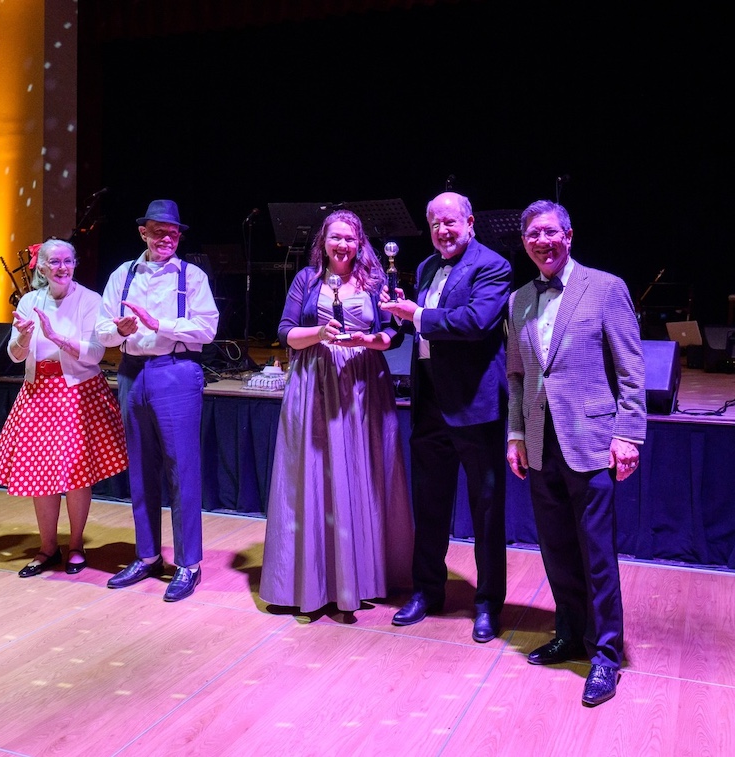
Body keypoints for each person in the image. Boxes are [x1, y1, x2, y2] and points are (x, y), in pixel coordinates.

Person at [506, 199, 645, 707]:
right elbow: (518, 376)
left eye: (550, 232)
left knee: (597, 556)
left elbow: (631, 370)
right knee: (557, 550)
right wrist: (516, 436)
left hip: (591, 440)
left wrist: (627, 435)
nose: (541, 241)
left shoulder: (605, 288)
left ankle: (606, 654)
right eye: (532, 235)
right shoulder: (519, 298)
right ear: (524, 243)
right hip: (541, 444)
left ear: (569, 234)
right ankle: (568, 634)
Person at [258, 209, 413, 616]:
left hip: (363, 385)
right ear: (323, 243)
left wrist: (372, 339)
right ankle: (313, 580)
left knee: (362, 473)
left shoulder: (376, 280)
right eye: (335, 238)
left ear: (360, 243)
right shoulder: (306, 280)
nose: (342, 245)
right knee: (314, 475)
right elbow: (285, 330)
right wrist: (318, 334)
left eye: (350, 239)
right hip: (315, 384)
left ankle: (363, 576)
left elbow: (395, 331)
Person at [379, 191, 511, 643]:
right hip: (431, 403)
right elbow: (421, 326)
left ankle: (489, 604)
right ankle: (427, 591)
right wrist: (398, 318)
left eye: (450, 222)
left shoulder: (493, 265)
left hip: (476, 408)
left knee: (486, 512)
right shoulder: (426, 267)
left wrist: (417, 314)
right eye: (434, 223)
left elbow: (475, 322)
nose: (442, 231)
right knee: (430, 506)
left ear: (470, 221)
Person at [96, 199, 219, 602]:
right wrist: (119, 330)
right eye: (158, 231)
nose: (166, 238)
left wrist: (157, 324)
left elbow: (206, 328)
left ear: (179, 236)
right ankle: (147, 556)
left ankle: (188, 563)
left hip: (176, 371)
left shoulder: (192, 276)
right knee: (141, 469)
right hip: (132, 371)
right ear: (142, 233)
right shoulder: (123, 274)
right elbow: (102, 331)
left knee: (182, 467)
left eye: (172, 232)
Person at [0, 239, 129, 577]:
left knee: (77, 474)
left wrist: (57, 337)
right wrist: (21, 337)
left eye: (67, 260)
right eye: (54, 261)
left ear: (75, 264)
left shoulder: (90, 300)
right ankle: (47, 547)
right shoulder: (30, 300)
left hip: (77, 391)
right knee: (41, 475)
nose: (61, 267)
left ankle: (76, 544)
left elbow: (96, 353)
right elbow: (15, 355)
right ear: (41, 267)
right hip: (38, 393)